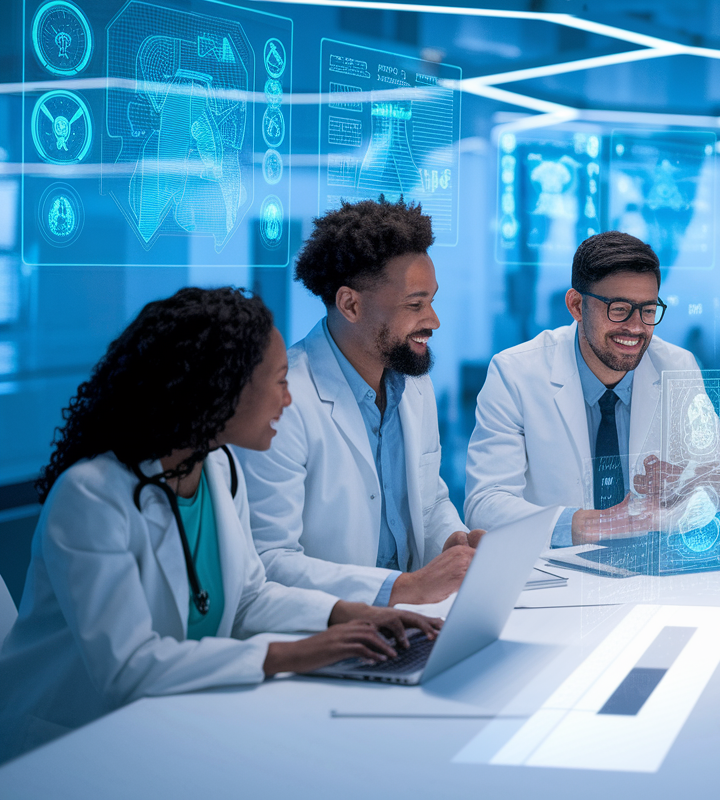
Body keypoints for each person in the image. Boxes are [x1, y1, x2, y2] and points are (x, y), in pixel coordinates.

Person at [0, 288, 439, 762]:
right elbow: (127, 667)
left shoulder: (218, 467)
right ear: (220, 388)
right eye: (279, 381)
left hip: (166, 727)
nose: (288, 400)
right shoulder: (91, 496)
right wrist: (298, 654)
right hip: (68, 746)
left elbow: (250, 598)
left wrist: (355, 616)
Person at [236, 198, 482, 607]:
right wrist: (398, 590)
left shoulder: (413, 385)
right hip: (325, 633)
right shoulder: (283, 404)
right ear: (351, 304)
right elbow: (269, 562)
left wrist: (453, 542)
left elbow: (430, 499)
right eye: (415, 304)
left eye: (432, 301)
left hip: (410, 618)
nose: (434, 320)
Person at [465, 231, 720, 546]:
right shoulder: (515, 373)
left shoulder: (676, 367)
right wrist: (593, 524)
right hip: (554, 575)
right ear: (576, 305)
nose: (636, 327)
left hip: (648, 571)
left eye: (648, 311)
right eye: (619, 309)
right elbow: (485, 504)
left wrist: (687, 482)